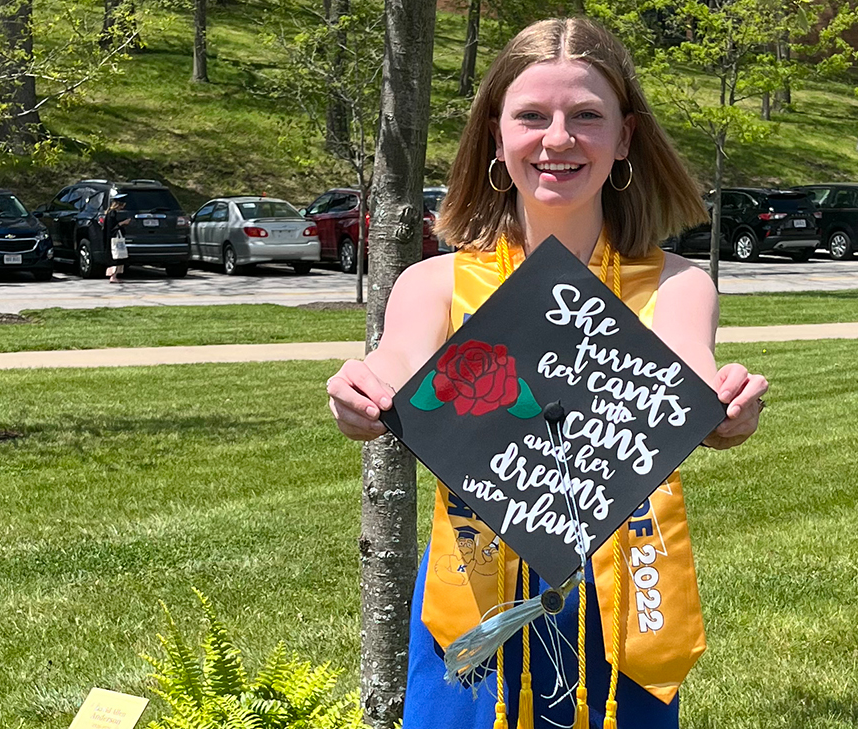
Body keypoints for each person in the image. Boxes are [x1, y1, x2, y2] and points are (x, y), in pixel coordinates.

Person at [326, 18, 768, 729]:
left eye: (586, 117)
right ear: (496, 136)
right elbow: (396, 364)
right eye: (532, 115)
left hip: (621, 610)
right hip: (472, 609)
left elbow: (695, 377)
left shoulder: (676, 285)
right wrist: (361, 389)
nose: (557, 138)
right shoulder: (435, 283)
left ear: (625, 137)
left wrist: (726, 407)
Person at [104, 193, 130, 283]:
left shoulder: (110, 212)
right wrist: (123, 223)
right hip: (113, 238)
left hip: (110, 238)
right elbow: (113, 227)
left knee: (115, 256)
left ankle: (114, 276)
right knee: (116, 257)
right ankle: (113, 276)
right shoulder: (112, 213)